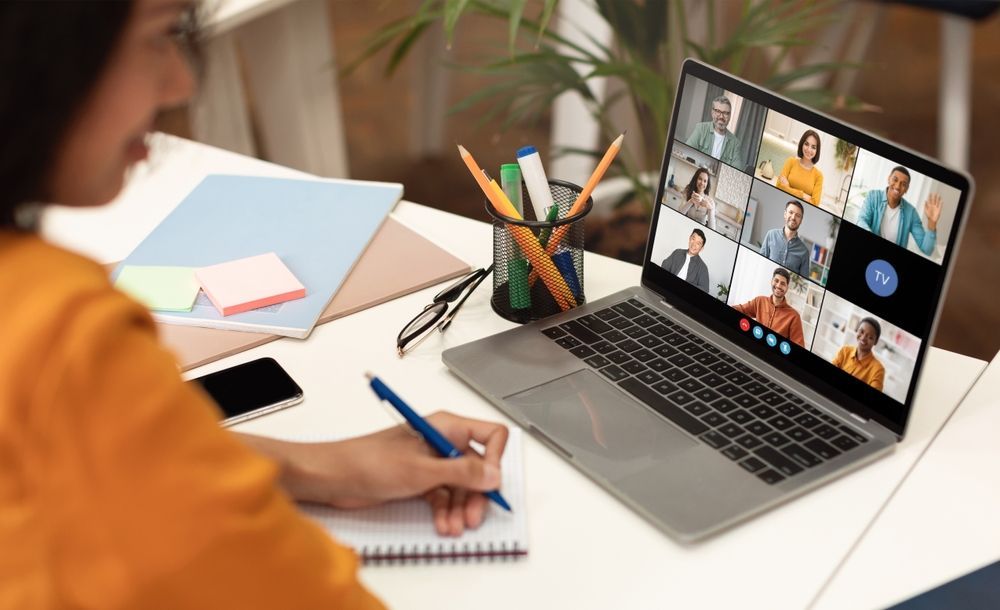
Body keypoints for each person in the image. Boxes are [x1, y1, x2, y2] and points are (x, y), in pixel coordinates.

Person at [0, 2, 507, 606]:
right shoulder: (67, 340)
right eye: (161, 37)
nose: (180, 84)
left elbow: (132, 465)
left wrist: (318, 468)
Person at [855, 166, 942, 256]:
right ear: (888, 179)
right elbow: (862, 220)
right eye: (895, 180)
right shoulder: (873, 196)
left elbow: (926, 249)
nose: (897, 186)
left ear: (907, 189)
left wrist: (932, 223)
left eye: (903, 184)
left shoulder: (911, 213)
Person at [731, 267, 805, 347]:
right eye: (776, 281)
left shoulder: (794, 316)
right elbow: (740, 309)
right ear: (771, 281)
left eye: (783, 283)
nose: (778, 285)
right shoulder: (759, 301)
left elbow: (799, 347)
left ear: (787, 287)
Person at [685, 95, 744, 169]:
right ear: (712, 112)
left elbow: (737, 170)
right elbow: (687, 151)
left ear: (730, 116)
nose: (721, 117)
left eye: (726, 113)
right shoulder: (700, 129)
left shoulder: (736, 143)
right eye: (718, 111)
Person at [759, 200, 810, 278]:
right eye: (791, 212)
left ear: (801, 220)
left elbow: (803, 279)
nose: (793, 217)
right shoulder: (771, 235)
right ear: (785, 214)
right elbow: (760, 262)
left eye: (798, 215)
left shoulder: (804, 252)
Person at [831, 317, 886, 391]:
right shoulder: (845, 350)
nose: (863, 338)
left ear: (875, 342)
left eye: (870, 337)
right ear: (857, 330)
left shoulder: (878, 370)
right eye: (861, 332)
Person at [776, 129, 824, 207]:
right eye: (806, 144)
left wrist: (788, 187)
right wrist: (803, 195)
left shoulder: (818, 176)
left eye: (813, 147)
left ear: (817, 151)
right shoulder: (790, 161)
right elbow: (779, 185)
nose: (809, 149)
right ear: (802, 144)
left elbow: (815, 203)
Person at [661, 229, 711, 293]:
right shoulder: (677, 252)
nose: (694, 244)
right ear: (689, 238)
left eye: (698, 243)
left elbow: (705, 289)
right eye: (693, 239)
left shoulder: (703, 267)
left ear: (701, 248)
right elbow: (664, 266)